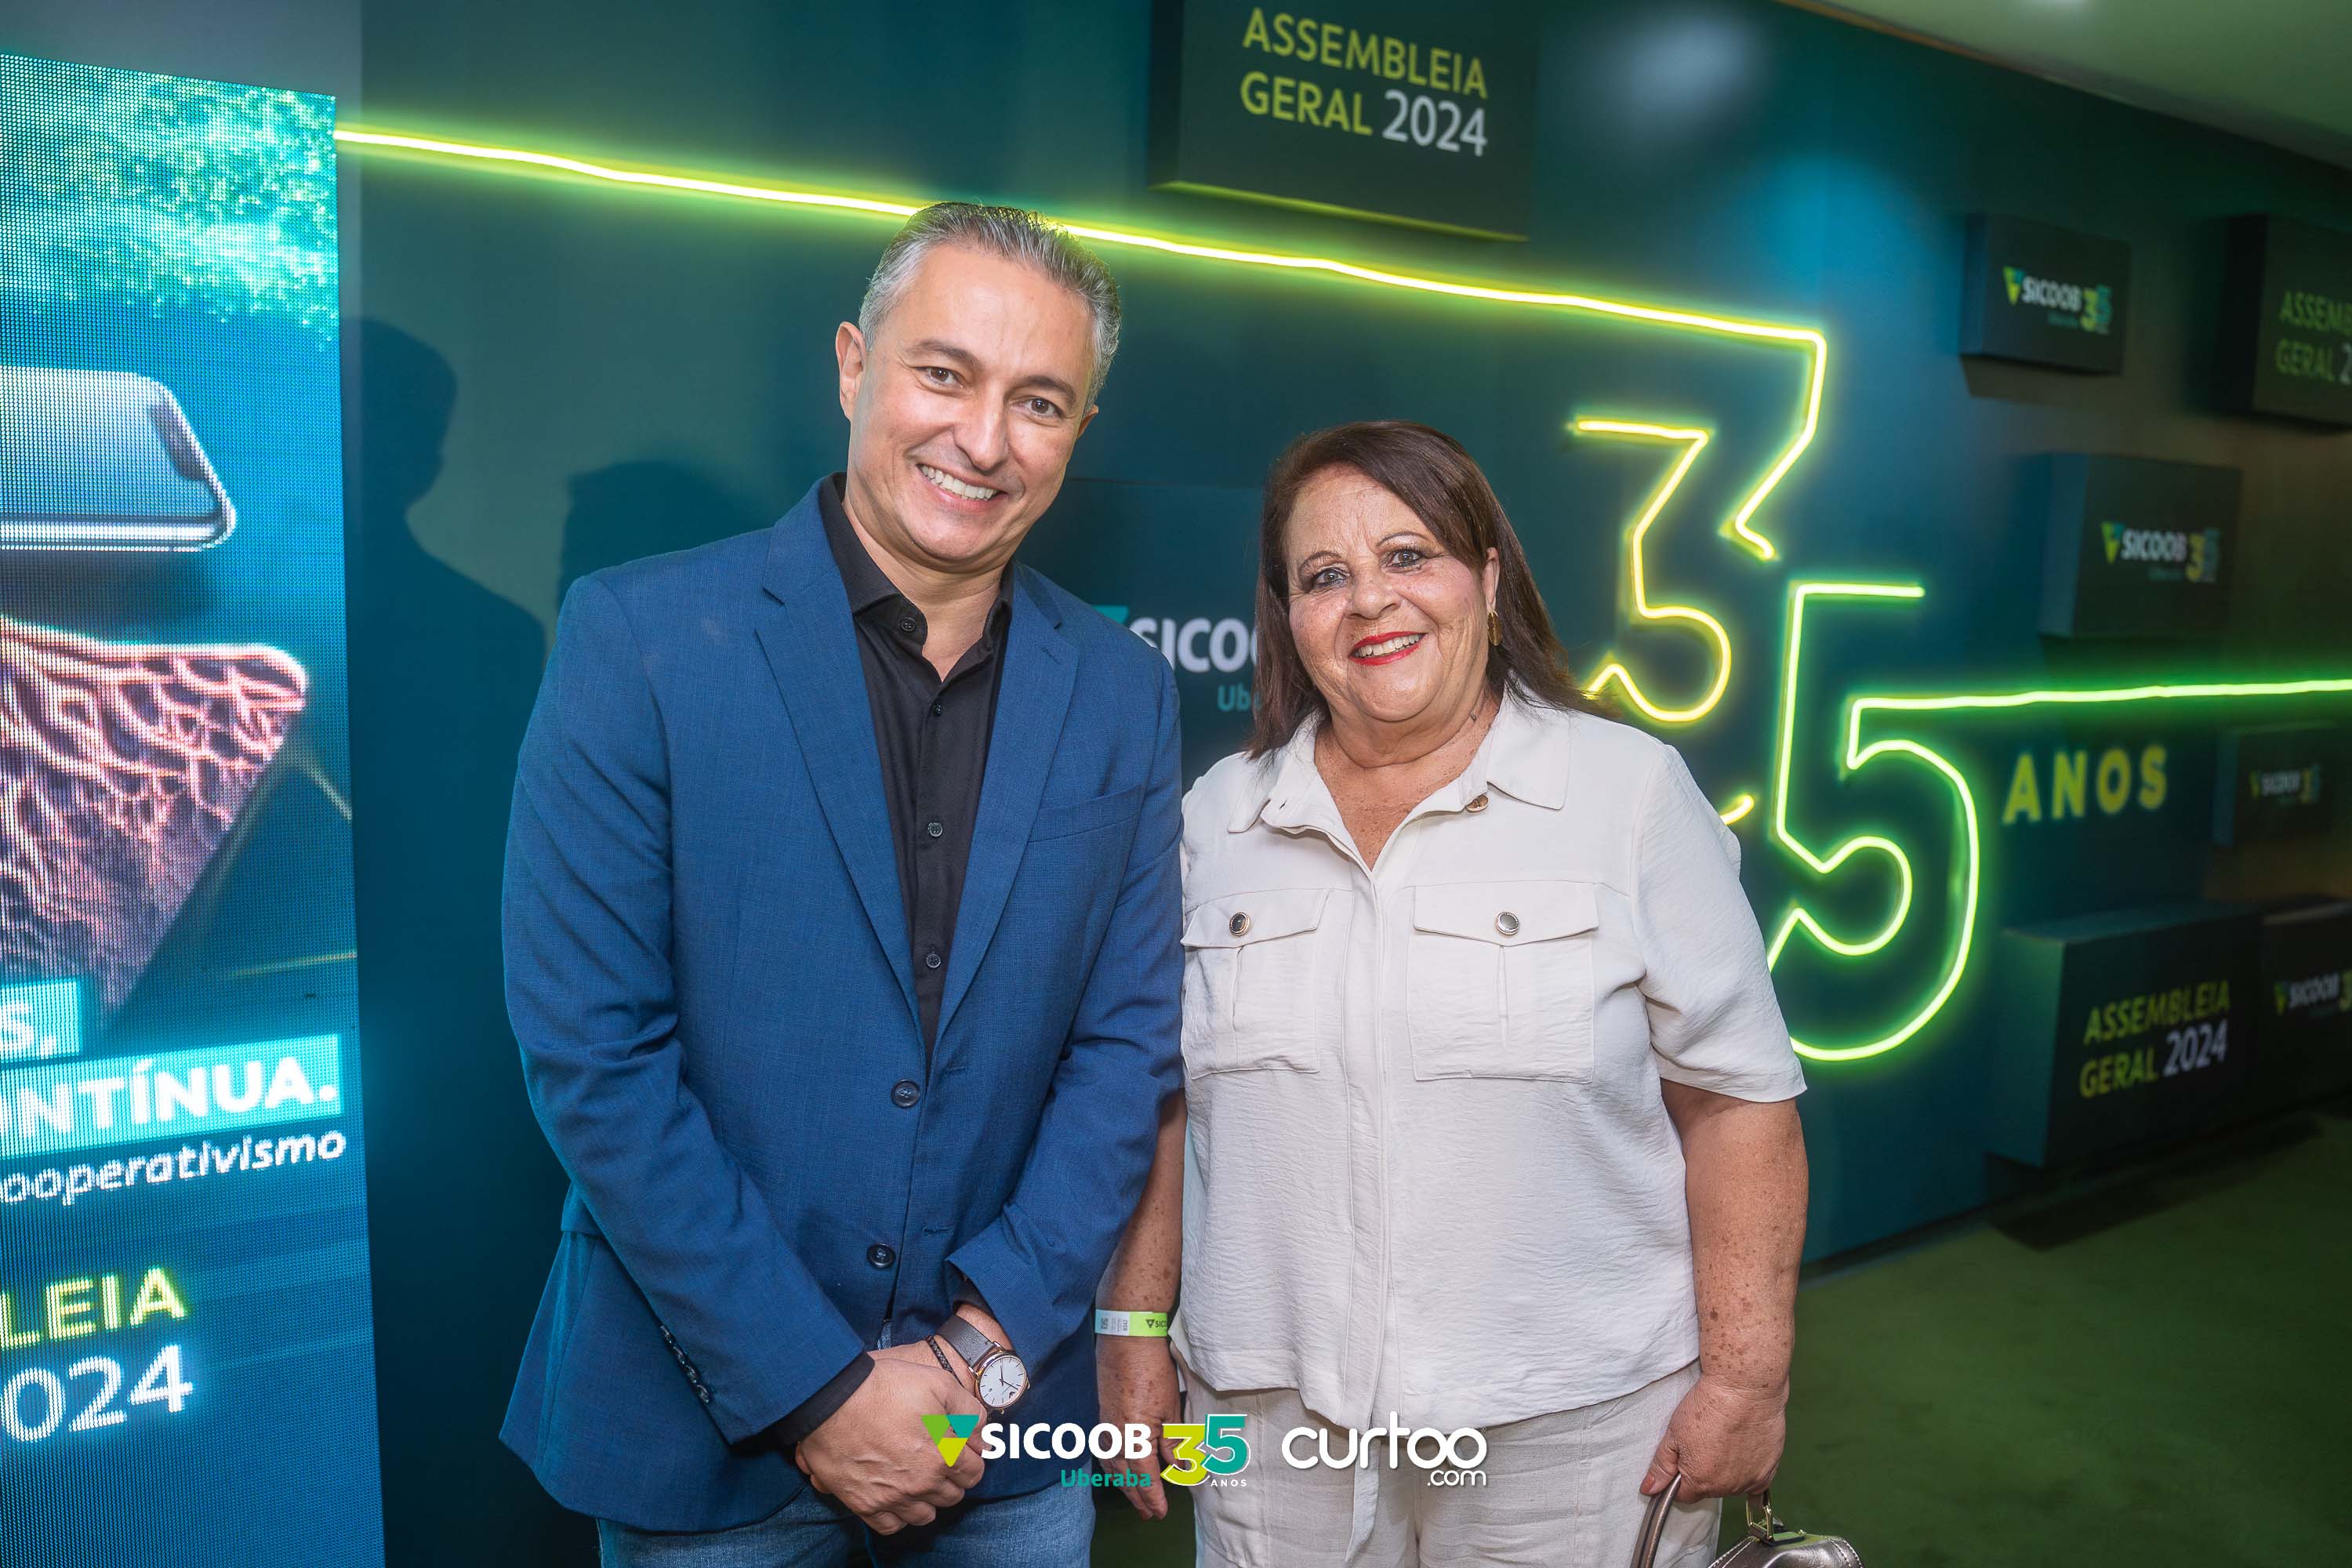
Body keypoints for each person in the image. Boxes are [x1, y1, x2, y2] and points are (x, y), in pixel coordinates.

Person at [500, 203, 1182, 1566]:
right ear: (853, 365)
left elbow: (1126, 1049)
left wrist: (980, 1352)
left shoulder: (1124, 691)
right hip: (710, 1443)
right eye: (945, 374)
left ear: (1079, 431)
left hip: (1004, 1438)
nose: (984, 439)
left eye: (1038, 401)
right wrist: (818, 1393)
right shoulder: (639, 637)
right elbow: (593, 1054)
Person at [1098, 421, 1809, 1566]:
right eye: (1324, 576)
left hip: (1571, 1432)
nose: (1370, 601)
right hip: (1275, 1427)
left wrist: (1745, 1377)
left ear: (1485, 574)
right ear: (1288, 617)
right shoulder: (1216, 820)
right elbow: (1166, 1104)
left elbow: (1739, 1104)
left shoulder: (1626, 795)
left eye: (1408, 556)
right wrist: (1132, 1327)